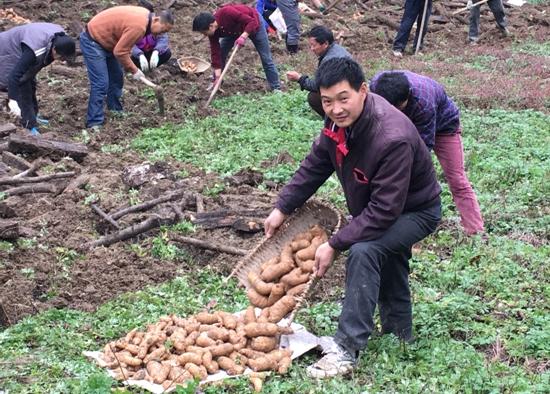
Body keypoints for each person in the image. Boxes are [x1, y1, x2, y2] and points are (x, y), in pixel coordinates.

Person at [264, 58, 442, 378]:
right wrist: (282, 207)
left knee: (366, 250)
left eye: (343, 98)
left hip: (416, 210)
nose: (335, 108)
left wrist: (335, 243)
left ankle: (347, 348)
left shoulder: (392, 136)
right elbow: (316, 164)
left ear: (362, 90)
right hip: (384, 208)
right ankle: (400, 333)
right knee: (390, 255)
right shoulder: (337, 123)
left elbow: (385, 211)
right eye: (327, 101)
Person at [370, 70, 484, 235]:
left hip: (443, 127)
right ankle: (380, 219)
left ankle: (476, 231)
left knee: (456, 179)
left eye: (398, 108)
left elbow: (422, 148)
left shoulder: (424, 102)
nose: (394, 112)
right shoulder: (377, 86)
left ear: (407, 98)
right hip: (400, 126)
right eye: (389, 108)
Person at [80, 6, 174, 128]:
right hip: (93, 41)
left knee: (117, 77)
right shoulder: (139, 27)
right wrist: (135, 70)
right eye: (162, 30)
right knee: (101, 82)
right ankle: (94, 121)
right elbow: (120, 52)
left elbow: (121, 47)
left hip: (109, 42)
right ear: (156, 20)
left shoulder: (146, 16)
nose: (161, 34)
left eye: (165, 32)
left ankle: (114, 109)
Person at [0, 23, 75, 135]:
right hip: (7, 49)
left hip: (25, 43)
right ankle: (29, 125)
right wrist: (13, 100)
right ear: (54, 49)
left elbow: (33, 70)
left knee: (31, 81)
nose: (62, 61)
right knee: (23, 86)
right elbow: (14, 76)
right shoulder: (34, 51)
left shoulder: (61, 39)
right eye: (61, 57)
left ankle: (33, 115)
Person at [192, 4, 281, 91]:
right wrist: (218, 76)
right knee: (221, 52)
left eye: (204, 32)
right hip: (233, 31)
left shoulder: (227, 13)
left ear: (211, 26)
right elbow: (215, 53)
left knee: (265, 57)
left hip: (254, 24)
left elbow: (252, 22)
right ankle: (217, 82)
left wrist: (243, 36)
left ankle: (276, 87)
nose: (204, 35)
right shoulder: (212, 32)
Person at [286, 26, 351, 118]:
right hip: (347, 87)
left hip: (345, 92)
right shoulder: (337, 49)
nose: (312, 49)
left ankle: (333, 119)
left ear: (325, 44)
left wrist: (299, 78)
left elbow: (317, 86)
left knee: (314, 97)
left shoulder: (329, 60)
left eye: (314, 45)